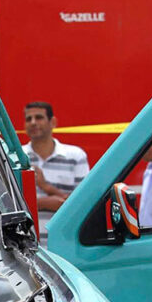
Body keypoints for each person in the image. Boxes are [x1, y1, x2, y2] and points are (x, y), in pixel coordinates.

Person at [21, 101, 89, 237]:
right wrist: (44, 203)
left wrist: (46, 187)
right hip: (25, 246)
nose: (33, 122)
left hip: (63, 244)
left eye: (39, 117)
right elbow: (5, 206)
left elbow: (84, 204)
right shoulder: (16, 158)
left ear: (53, 122)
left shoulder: (75, 156)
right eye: (29, 119)